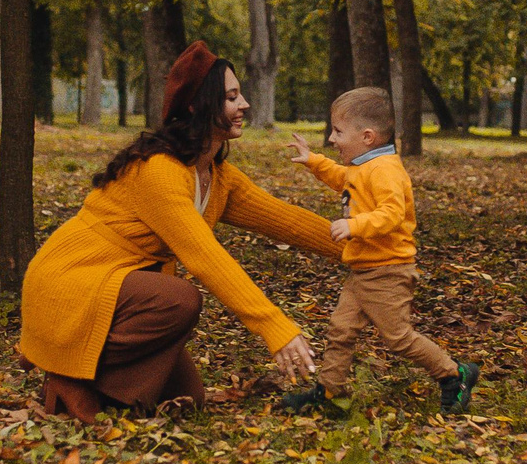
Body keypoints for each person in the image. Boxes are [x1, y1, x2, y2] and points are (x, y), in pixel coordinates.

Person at [18, 42, 340, 423]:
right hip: (73, 282)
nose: (245, 105)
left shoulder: (216, 176)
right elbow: (204, 256)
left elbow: (288, 221)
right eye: (232, 97)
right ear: (197, 106)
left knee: (189, 397)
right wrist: (274, 326)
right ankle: (67, 373)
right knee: (180, 299)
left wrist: (368, 249)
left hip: (115, 287)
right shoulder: (160, 171)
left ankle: (92, 385)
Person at [280, 86, 480, 415]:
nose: (332, 138)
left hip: (388, 270)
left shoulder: (385, 169)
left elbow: (392, 213)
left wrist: (354, 226)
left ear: (368, 136)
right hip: (364, 270)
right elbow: (344, 178)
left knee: (398, 337)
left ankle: (454, 374)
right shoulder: (363, 165)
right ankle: (329, 393)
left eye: (339, 131)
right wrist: (313, 162)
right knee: (341, 329)